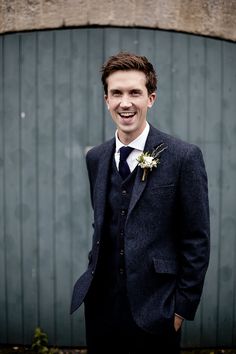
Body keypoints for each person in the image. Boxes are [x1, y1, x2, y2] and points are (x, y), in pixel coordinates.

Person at [70, 52, 210, 354]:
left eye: (135, 92)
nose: (125, 102)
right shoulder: (95, 157)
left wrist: (181, 309)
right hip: (101, 308)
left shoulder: (184, 157)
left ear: (151, 98)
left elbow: (196, 239)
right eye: (116, 93)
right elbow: (103, 223)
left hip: (156, 309)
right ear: (106, 100)